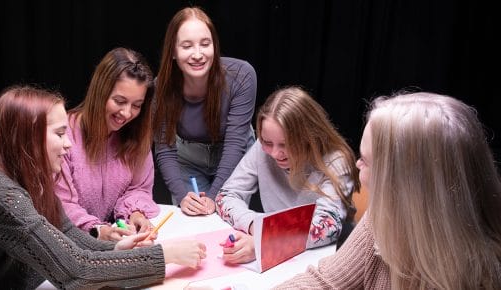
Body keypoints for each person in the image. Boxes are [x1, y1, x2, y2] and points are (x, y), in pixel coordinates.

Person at [0, 85, 206, 289]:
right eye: (60, 134)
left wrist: (116, 249)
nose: (69, 144)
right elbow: (77, 272)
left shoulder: (33, 182)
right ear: (26, 138)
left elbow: (74, 239)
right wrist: (165, 255)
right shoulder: (0, 194)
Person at [276, 92, 501, 289]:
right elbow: (325, 281)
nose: (356, 164)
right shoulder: (384, 214)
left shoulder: (476, 277)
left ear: (405, 184)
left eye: (365, 160)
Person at [216, 86, 359, 264]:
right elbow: (225, 196)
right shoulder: (263, 149)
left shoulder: (335, 160)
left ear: (310, 136)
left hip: (328, 259)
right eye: (267, 142)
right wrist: (254, 224)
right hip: (281, 254)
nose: (275, 153)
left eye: (286, 144)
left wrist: (265, 240)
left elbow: (326, 227)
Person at [153, 6, 258, 216]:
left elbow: (235, 143)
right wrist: (182, 196)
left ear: (214, 46)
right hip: (189, 158)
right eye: (187, 46)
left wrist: (214, 196)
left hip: (234, 153)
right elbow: (164, 148)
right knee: (195, 219)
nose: (198, 54)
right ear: (173, 51)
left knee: (229, 216)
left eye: (205, 44)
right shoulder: (161, 87)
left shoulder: (242, 75)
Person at [55, 47, 159, 241]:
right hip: (71, 245)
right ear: (100, 92)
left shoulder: (136, 135)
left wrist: (135, 214)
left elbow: (139, 188)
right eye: (119, 101)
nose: (127, 113)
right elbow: (61, 204)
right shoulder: (64, 136)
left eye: (137, 105)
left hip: (116, 244)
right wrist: (98, 230)